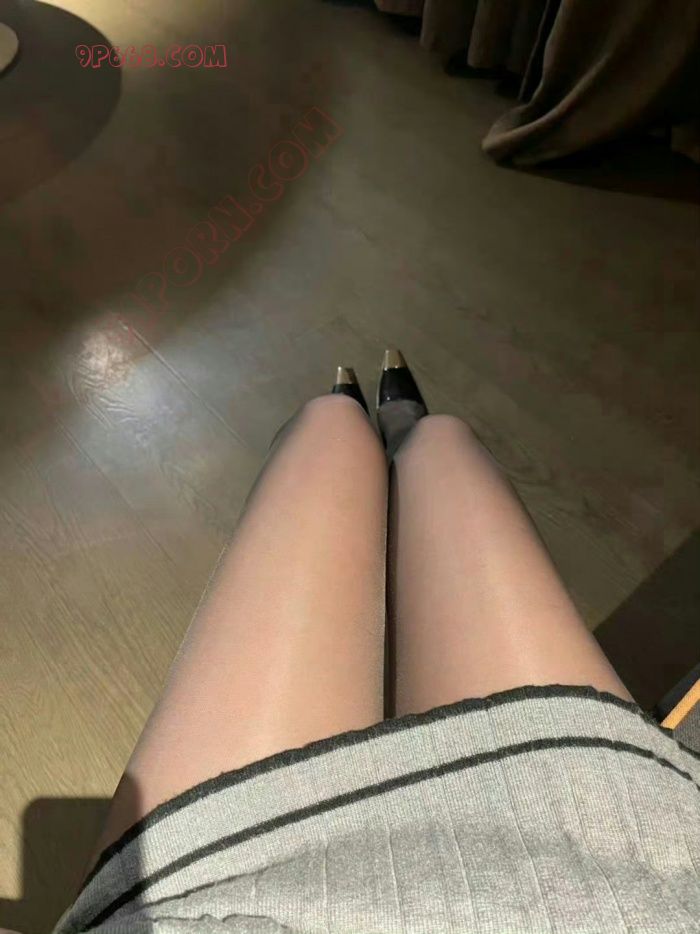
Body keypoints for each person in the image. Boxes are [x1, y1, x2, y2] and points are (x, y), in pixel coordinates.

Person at [54, 351, 699, 933]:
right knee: (436, 443)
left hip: (219, 891)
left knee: (337, 435)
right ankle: (401, 433)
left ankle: (375, 433)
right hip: (603, 856)